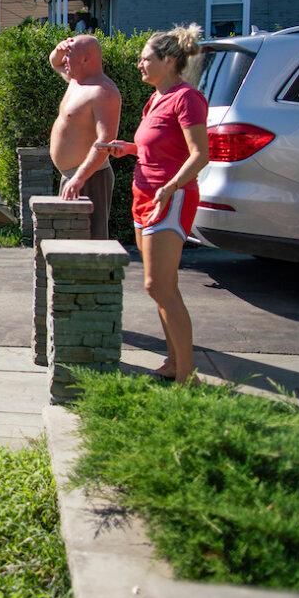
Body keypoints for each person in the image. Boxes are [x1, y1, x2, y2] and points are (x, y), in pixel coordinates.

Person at [96, 24, 209, 383]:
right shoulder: (156, 99)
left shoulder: (187, 98)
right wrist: (128, 148)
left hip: (170, 198)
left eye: (145, 59)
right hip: (144, 197)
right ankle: (174, 362)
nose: (139, 64)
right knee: (164, 287)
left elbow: (200, 155)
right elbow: (156, 148)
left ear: (169, 60)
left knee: (158, 286)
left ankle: (187, 376)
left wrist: (171, 186)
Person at [50, 35, 121, 239]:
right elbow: (54, 62)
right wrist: (59, 50)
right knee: (70, 243)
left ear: (85, 59)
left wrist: (79, 179)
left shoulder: (103, 92)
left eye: (69, 55)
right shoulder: (76, 80)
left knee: (91, 244)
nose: (64, 60)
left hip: (90, 178)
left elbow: (106, 142)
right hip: (73, 177)